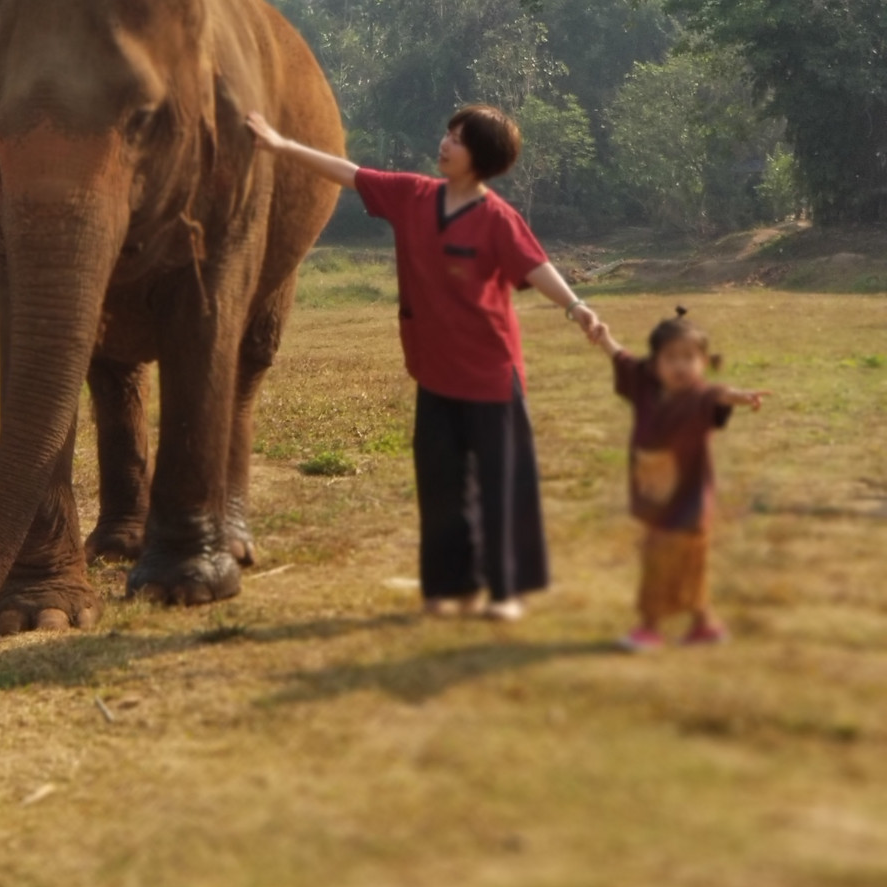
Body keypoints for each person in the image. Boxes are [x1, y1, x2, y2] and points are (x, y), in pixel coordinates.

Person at [246, 103, 602, 621]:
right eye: (447, 133)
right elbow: (349, 174)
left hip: (490, 375)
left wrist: (577, 307)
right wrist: (281, 146)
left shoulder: (498, 218)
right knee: (440, 485)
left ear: (480, 156)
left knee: (500, 484)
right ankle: (449, 587)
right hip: (435, 371)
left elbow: (535, 265)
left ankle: (503, 591)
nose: (445, 143)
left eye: (457, 139)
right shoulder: (413, 196)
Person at [594, 308, 767, 650]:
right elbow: (623, 359)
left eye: (690, 357)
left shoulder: (702, 397)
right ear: (654, 364)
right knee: (687, 566)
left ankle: (650, 626)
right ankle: (705, 625)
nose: (680, 366)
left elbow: (720, 394)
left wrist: (739, 397)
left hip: (688, 500)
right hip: (657, 493)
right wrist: (604, 338)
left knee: (663, 561)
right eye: (671, 357)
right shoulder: (645, 386)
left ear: (703, 361)